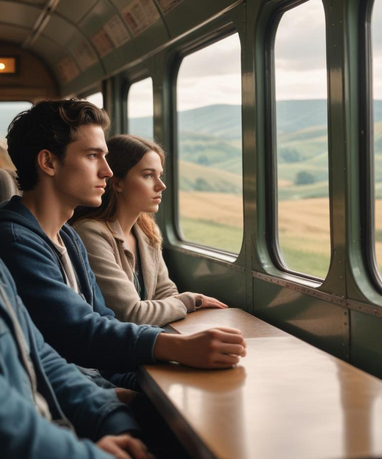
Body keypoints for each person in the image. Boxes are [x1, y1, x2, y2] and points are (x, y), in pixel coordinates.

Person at [0, 100, 246, 389]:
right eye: (93, 156)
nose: (106, 170)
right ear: (48, 162)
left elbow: (102, 319)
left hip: (96, 381)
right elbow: (79, 333)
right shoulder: (16, 241)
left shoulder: (68, 237)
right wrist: (177, 349)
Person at [0, 258, 152, 459]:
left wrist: (111, 417)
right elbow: (11, 430)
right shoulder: (16, 239)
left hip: (58, 428)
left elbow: (41, 357)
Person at [71, 135, 227, 326]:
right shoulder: (90, 233)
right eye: (147, 175)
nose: (161, 185)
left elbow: (166, 293)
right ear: (118, 183)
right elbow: (131, 314)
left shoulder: (146, 231)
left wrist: (177, 305)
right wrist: (190, 301)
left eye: (159, 175)